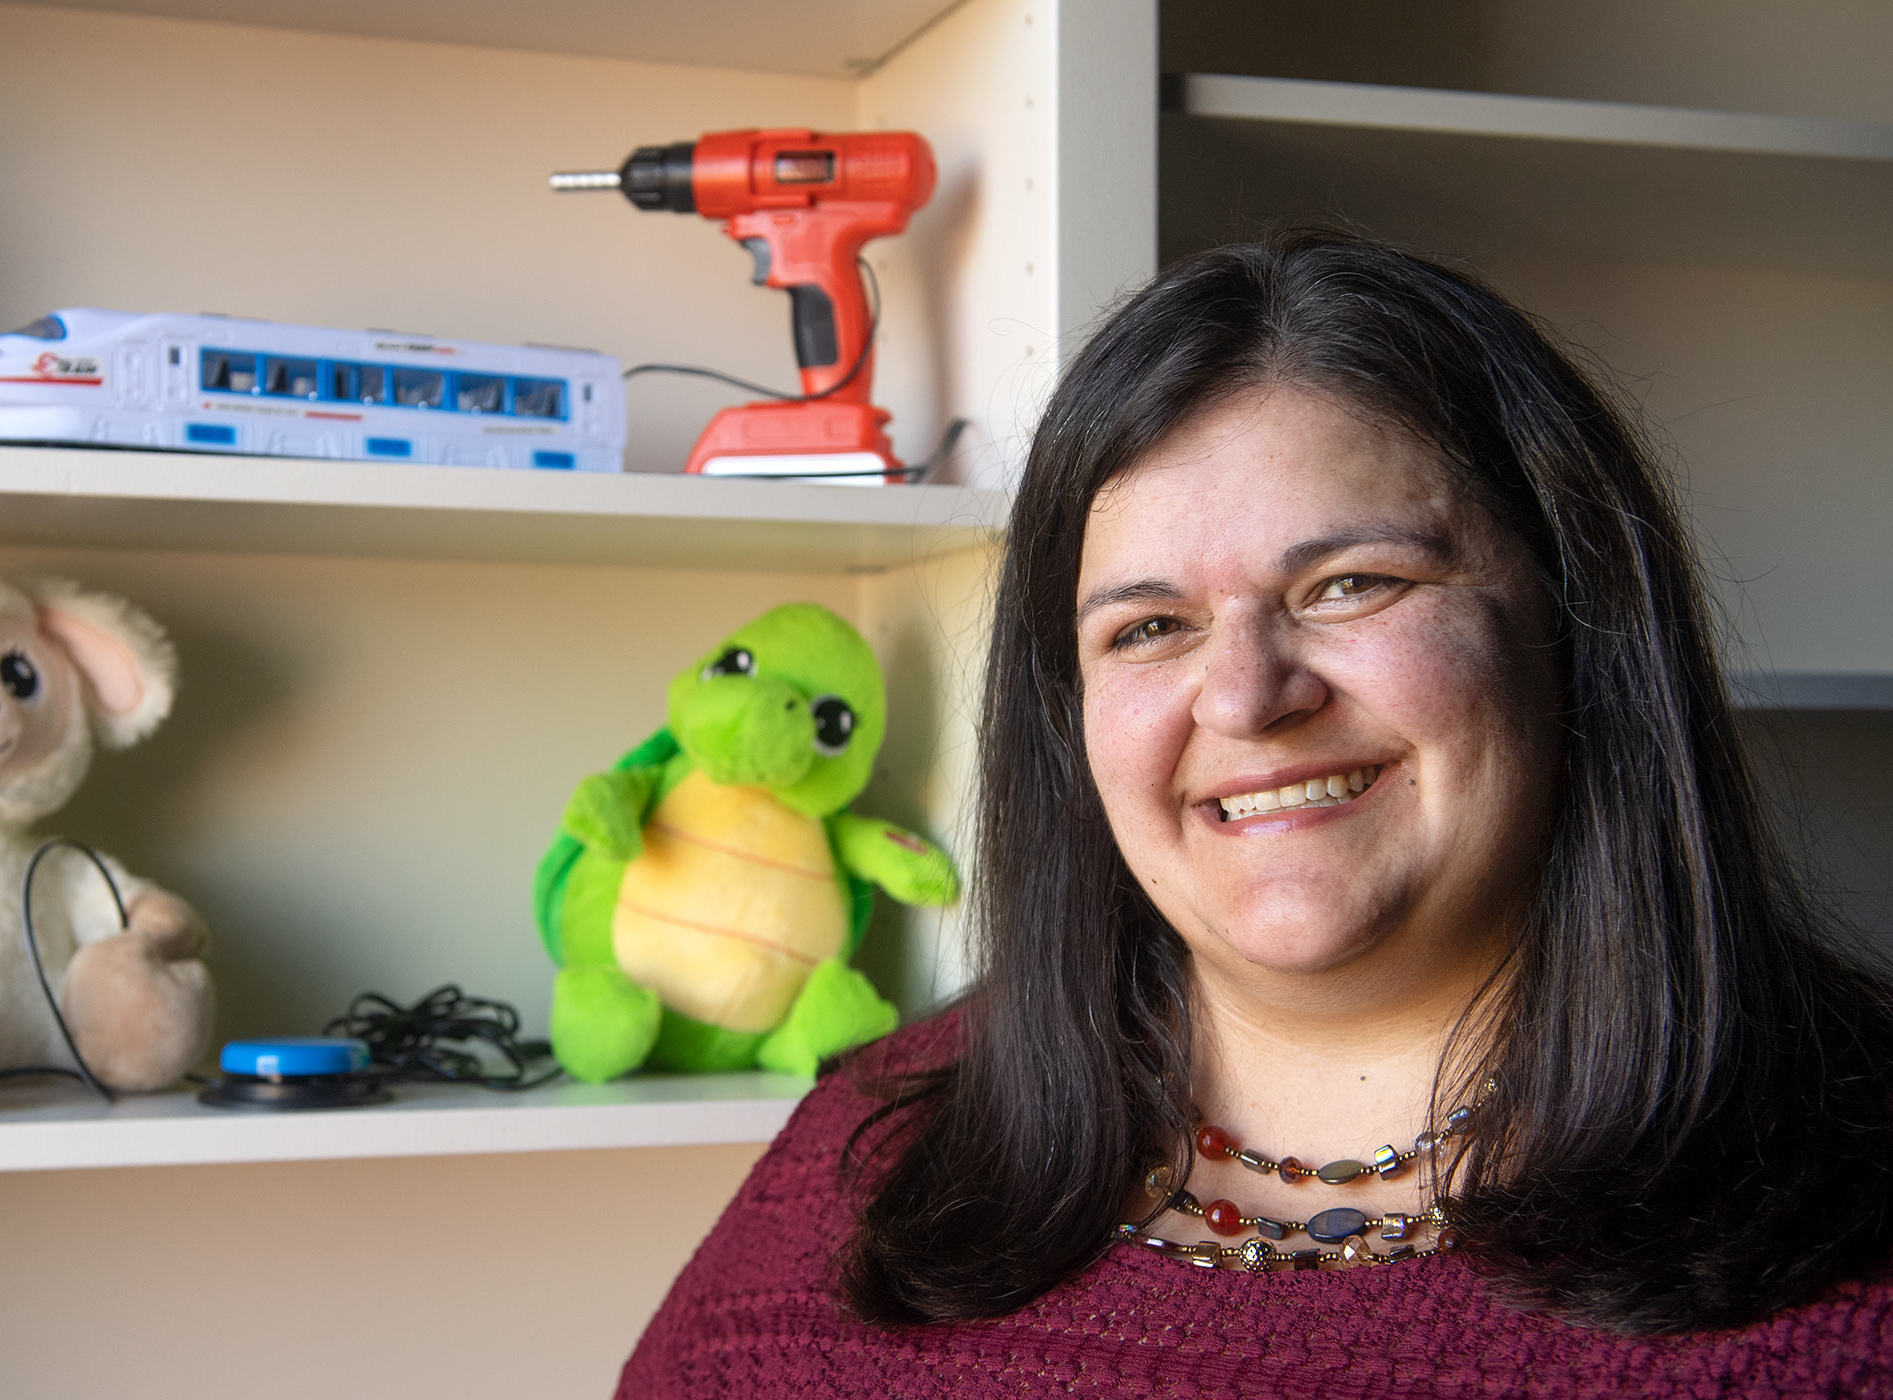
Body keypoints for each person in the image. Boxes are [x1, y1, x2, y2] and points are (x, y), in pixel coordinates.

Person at [619, 230, 1893, 1396]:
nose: (1243, 695)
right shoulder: (861, 1158)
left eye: (1352, 582)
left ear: (1574, 617)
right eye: (1151, 626)